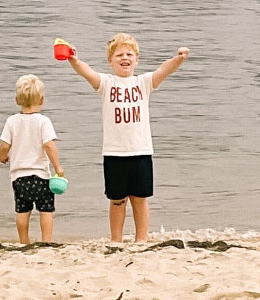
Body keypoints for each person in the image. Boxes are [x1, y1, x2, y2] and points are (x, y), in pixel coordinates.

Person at [64, 33, 188, 243]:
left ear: (136, 59)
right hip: (114, 152)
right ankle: (116, 240)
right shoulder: (106, 83)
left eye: (129, 54)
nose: (125, 58)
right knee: (117, 201)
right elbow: (87, 73)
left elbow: (163, 70)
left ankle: (141, 239)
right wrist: (73, 59)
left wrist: (179, 58)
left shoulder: (143, 83)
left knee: (140, 199)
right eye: (119, 54)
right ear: (110, 61)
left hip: (140, 151)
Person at [0, 73, 63, 244]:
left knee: (22, 211)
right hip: (41, 176)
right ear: (42, 100)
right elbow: (49, 145)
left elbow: (4, 145)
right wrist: (58, 168)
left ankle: (24, 241)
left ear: (16, 100)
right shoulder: (43, 121)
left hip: (19, 177)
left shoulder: (11, 121)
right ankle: (46, 241)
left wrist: (2, 157)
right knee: (46, 210)